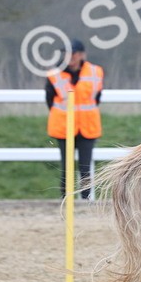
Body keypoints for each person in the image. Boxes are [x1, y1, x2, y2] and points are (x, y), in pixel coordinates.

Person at [46, 39, 103, 199]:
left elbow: (96, 97)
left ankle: (86, 199)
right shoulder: (54, 74)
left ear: (81, 54)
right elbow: (50, 100)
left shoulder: (95, 72)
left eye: (74, 53)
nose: (70, 57)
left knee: (85, 167)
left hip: (87, 126)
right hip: (64, 127)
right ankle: (66, 199)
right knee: (66, 167)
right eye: (67, 54)